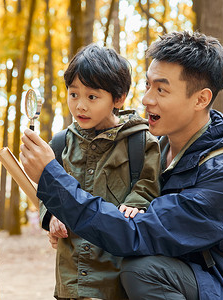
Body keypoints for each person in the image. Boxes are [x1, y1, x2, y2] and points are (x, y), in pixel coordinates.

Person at [20, 31, 223, 299]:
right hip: (186, 277)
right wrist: (54, 214)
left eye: (161, 89)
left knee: (142, 271)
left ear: (201, 99)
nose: (146, 99)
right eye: (147, 85)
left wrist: (51, 177)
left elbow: (134, 233)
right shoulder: (156, 148)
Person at [39, 44, 161, 300]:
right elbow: (46, 190)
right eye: (73, 94)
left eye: (92, 97)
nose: (80, 106)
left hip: (115, 273)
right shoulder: (61, 143)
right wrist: (50, 216)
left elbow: (148, 185)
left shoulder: (140, 141)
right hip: (71, 274)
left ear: (118, 98)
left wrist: (135, 204)